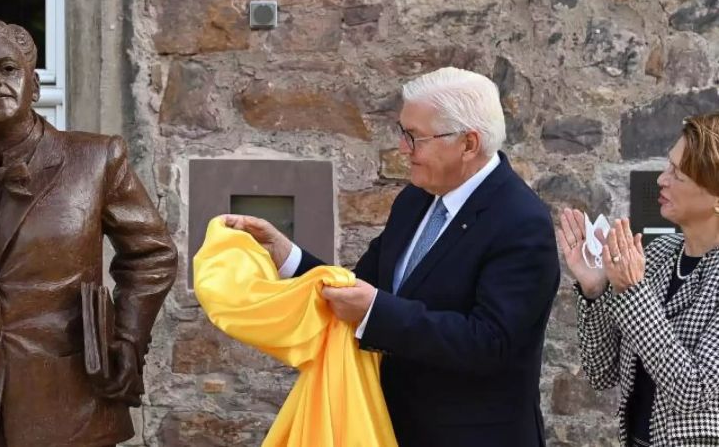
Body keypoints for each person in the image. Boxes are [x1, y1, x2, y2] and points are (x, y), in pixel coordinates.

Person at [225, 67, 560, 447]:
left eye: (414, 137)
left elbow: (490, 342)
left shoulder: (521, 221)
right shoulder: (415, 200)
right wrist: (287, 257)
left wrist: (375, 314)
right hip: (393, 430)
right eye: (404, 134)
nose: (403, 149)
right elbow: (360, 287)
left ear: (468, 144)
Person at [0, 16, 177, 447]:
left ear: (34, 84)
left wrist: (128, 339)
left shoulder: (96, 159)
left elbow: (151, 254)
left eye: (8, 68)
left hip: (65, 405)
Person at [562, 112, 719, 447]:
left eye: (678, 174)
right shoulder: (661, 252)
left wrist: (633, 292)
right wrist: (595, 290)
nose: (662, 180)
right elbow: (602, 372)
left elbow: (695, 392)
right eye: (667, 166)